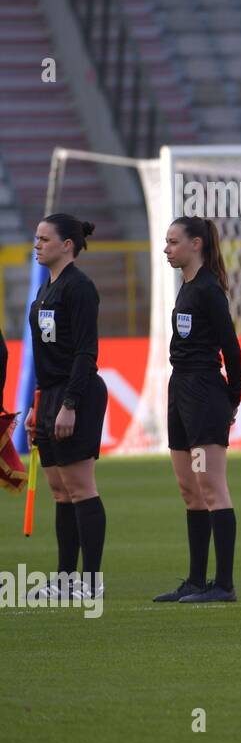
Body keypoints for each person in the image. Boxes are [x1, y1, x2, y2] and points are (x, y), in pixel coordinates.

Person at [152, 216, 241, 603]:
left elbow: (231, 347)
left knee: (210, 487)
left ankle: (222, 584)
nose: (167, 249)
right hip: (181, 391)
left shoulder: (208, 289)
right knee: (189, 489)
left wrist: (232, 397)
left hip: (205, 394)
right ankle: (194, 580)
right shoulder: (187, 287)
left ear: (196, 244)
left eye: (173, 242)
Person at [24, 214, 108, 602]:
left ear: (67, 245)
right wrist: (35, 405)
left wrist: (70, 404)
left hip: (78, 395)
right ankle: (64, 579)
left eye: (44, 239)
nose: (37, 245)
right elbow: (45, 355)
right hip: (49, 396)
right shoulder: (45, 289)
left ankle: (89, 582)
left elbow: (85, 352)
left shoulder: (80, 288)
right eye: (36, 238)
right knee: (59, 490)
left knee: (80, 486)